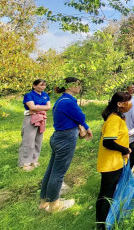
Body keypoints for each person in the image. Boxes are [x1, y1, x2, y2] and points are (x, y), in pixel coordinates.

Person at [39, 77, 93, 212]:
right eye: (78, 85)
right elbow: (80, 117)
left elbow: (76, 118)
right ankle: (54, 205)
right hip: (66, 139)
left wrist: (86, 127)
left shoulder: (62, 100)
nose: (79, 87)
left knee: (52, 170)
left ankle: (44, 201)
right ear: (70, 86)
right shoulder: (68, 102)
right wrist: (85, 125)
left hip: (58, 137)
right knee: (58, 173)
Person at [96, 92, 132, 229]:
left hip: (113, 162)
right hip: (111, 163)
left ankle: (100, 222)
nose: (130, 104)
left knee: (105, 193)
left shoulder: (117, 118)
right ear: (119, 104)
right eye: (128, 101)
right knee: (107, 195)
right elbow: (108, 142)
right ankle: (103, 225)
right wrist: (125, 150)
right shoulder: (114, 119)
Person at [18, 79, 51, 171]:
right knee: (28, 141)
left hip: (41, 118)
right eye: (41, 85)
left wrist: (37, 108)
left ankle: (34, 160)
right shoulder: (29, 95)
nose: (43, 87)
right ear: (34, 86)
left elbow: (49, 107)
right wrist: (41, 108)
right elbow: (31, 107)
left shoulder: (45, 95)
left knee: (38, 140)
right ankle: (25, 163)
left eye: (44, 85)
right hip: (31, 118)